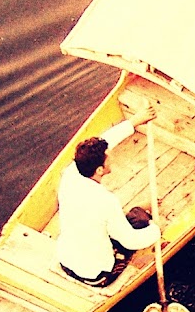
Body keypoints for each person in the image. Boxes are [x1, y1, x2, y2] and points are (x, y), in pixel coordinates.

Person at [54, 105, 161, 286]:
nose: (111, 156)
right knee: (140, 222)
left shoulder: (70, 175)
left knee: (116, 221)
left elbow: (104, 141)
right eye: (108, 157)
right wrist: (156, 229)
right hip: (96, 274)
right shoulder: (105, 201)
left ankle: (137, 210)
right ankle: (140, 213)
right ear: (99, 170)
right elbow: (131, 240)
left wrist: (133, 122)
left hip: (65, 261)